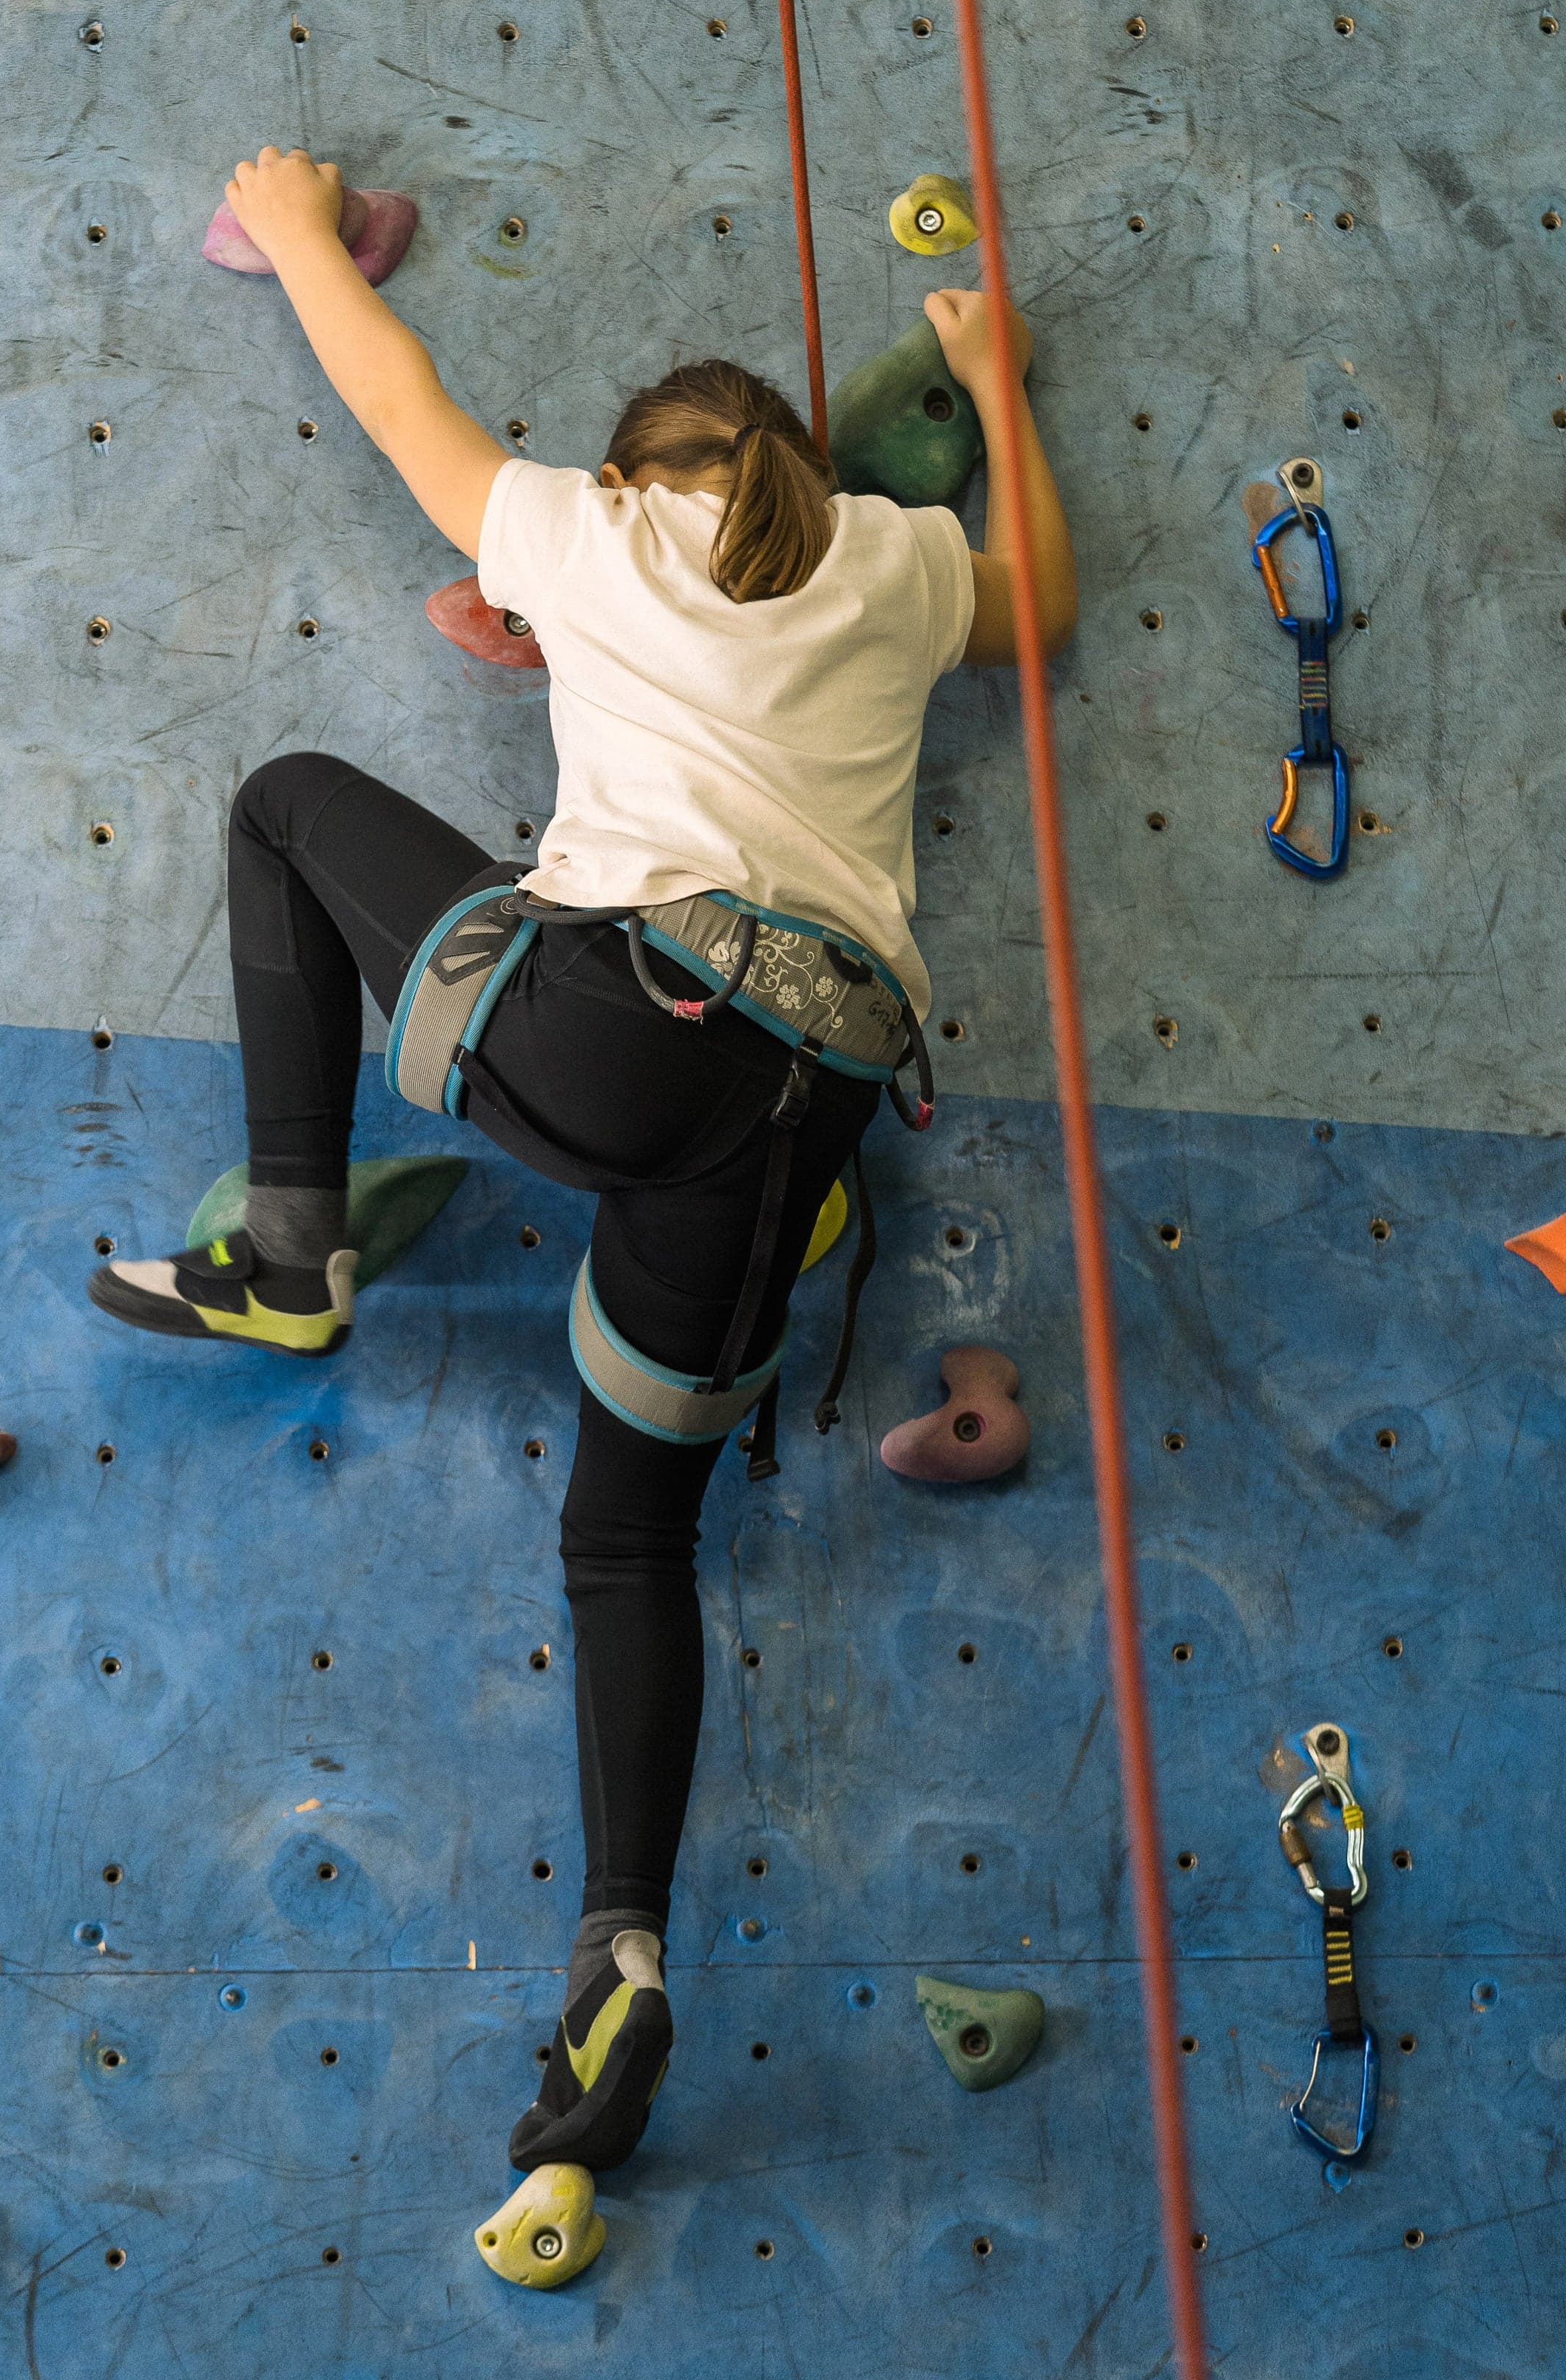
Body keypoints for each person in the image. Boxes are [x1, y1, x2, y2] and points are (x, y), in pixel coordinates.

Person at [91, 146, 1077, 2174]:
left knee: (286, 802)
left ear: (639, 473)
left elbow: (394, 398)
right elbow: (1038, 603)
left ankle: (291, 1240)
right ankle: (617, 1945)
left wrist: (290, 225)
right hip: (789, 1123)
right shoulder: (890, 561)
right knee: (626, 1542)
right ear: (797, 471)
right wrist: (992, 388)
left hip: (609, 1024)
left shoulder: (587, 524)